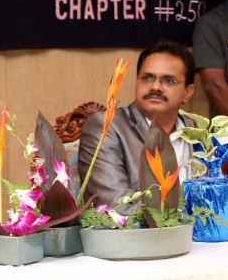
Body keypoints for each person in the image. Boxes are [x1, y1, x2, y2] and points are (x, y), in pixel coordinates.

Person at [77, 40, 197, 212]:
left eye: (169, 81)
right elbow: (117, 206)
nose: (155, 86)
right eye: (147, 78)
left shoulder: (197, 133)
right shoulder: (106, 127)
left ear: (188, 92)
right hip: (130, 237)